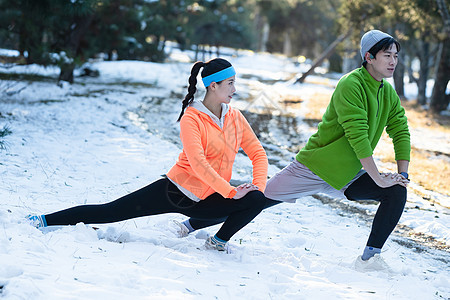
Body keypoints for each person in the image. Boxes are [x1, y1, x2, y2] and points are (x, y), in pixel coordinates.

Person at [181, 29, 411, 268]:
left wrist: (401, 175)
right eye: (387, 55)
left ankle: (370, 260)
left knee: (396, 191)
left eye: (396, 55)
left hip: (348, 175)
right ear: (369, 57)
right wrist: (378, 178)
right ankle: (193, 226)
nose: (393, 61)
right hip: (313, 167)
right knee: (257, 200)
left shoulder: (388, 93)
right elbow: (358, 136)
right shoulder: (351, 84)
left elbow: (400, 130)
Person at [27, 58, 269, 252]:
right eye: (230, 84)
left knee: (258, 199)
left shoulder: (235, 117)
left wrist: (256, 187)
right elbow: (197, 162)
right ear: (213, 85)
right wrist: (230, 192)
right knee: (110, 212)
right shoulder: (192, 117)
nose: (235, 90)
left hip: (211, 198)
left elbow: (258, 153)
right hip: (177, 193)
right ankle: (43, 220)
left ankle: (217, 242)